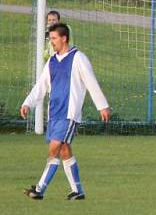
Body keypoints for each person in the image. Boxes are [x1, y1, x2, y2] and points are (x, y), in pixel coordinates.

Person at [21, 23, 111, 200]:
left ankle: (39, 189)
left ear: (64, 38)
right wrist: (28, 103)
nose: (51, 42)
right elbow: (41, 85)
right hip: (54, 113)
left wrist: (102, 105)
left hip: (69, 114)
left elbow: (91, 82)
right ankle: (78, 191)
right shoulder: (52, 61)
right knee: (63, 150)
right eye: (50, 38)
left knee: (54, 147)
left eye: (54, 38)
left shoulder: (78, 58)